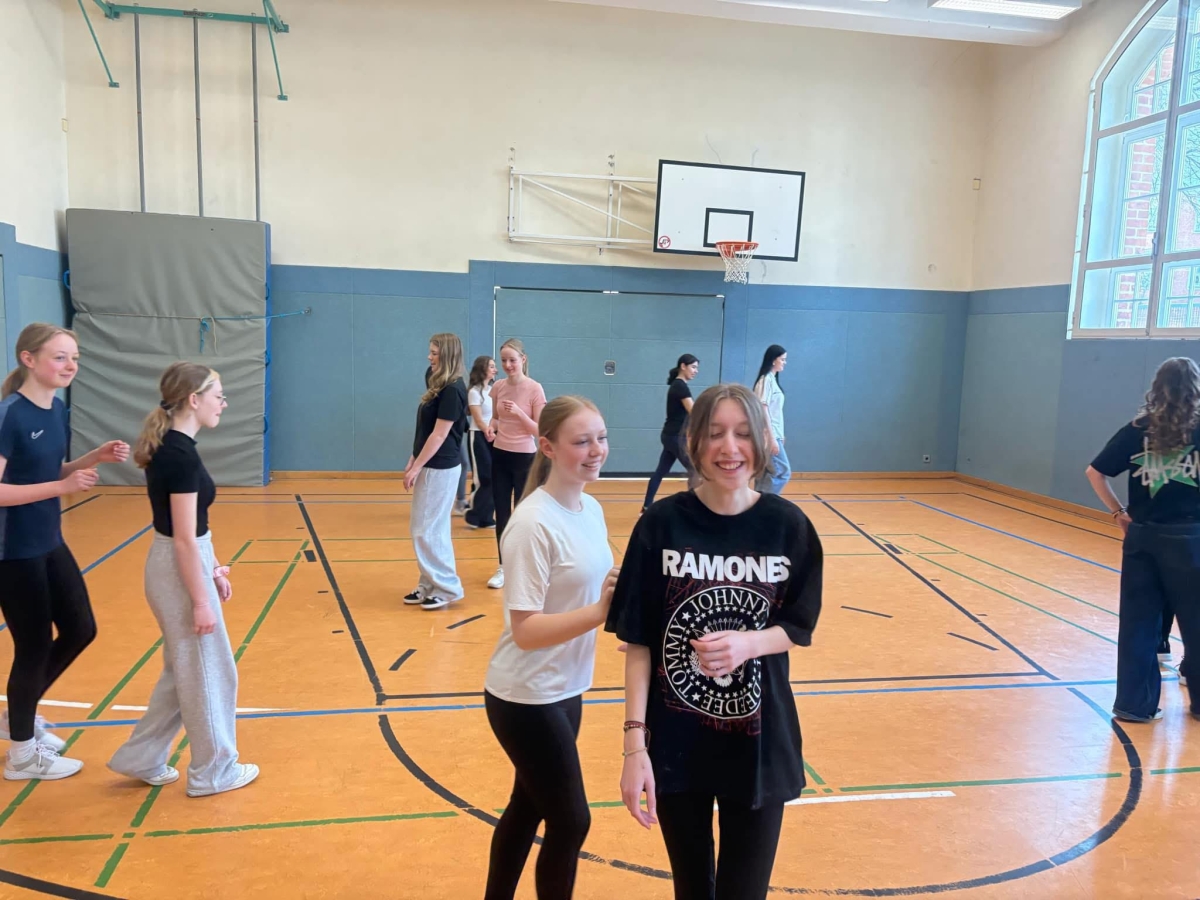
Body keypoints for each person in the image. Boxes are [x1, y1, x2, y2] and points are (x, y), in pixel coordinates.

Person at [607, 383, 823, 900]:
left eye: (743, 434)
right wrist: (634, 747)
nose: (730, 448)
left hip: (759, 744)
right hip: (676, 742)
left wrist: (749, 644)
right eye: (716, 433)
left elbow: (797, 627)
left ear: (762, 441)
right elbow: (639, 644)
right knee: (692, 889)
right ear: (693, 442)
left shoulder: (788, 527)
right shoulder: (660, 525)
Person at [482, 395, 619, 900]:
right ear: (548, 447)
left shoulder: (590, 508)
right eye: (581, 441)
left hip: (566, 687)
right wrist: (600, 613)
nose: (596, 450)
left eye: (601, 438)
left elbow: (592, 588)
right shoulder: (532, 524)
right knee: (571, 819)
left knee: (528, 806)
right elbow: (526, 630)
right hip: (525, 696)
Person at [106, 362, 259, 795]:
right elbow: (184, 540)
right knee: (212, 672)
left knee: (184, 673)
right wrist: (201, 600)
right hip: (178, 569)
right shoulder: (179, 456)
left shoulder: (176, 448)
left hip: (184, 561)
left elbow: (192, 533)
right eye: (218, 396)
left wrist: (213, 568)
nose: (223, 404)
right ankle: (214, 771)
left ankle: (141, 756)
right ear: (194, 399)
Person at [0, 324, 129, 781]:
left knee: (80, 628)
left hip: (48, 540)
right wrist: (63, 486)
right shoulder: (9, 415)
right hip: (12, 551)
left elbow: (47, 470)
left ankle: (17, 717)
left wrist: (91, 459)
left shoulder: (55, 408)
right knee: (34, 645)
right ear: (28, 359)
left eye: (74, 357)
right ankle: (22, 755)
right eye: (59, 357)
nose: (70, 365)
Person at [1087, 356, 1200, 722]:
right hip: (1190, 539)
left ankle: (1134, 705)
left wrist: (1118, 513)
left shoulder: (1138, 429)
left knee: (1139, 623)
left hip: (1143, 538)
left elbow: (1095, 472)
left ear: (1157, 388)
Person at [404, 333, 468, 611]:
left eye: (434, 353)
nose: (429, 357)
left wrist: (418, 466)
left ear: (448, 355)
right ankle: (429, 584)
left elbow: (440, 434)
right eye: (430, 352)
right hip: (429, 463)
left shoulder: (453, 389)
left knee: (427, 530)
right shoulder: (434, 378)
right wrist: (413, 458)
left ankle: (447, 587)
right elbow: (425, 429)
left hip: (441, 467)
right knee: (426, 528)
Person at [487, 338, 547, 590]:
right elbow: (495, 418)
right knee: (502, 513)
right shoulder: (498, 387)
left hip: (524, 459)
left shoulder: (534, 388)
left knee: (523, 514)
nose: (508, 365)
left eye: (512, 360)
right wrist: (491, 427)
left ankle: (525, 567)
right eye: (503, 361)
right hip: (500, 455)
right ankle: (504, 566)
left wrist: (519, 413)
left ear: (523, 359)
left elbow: (539, 430)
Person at [642, 354, 700, 512]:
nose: (696, 371)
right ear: (683, 366)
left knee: (660, 471)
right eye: (693, 367)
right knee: (695, 470)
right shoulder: (680, 386)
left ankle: (646, 506)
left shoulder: (677, 385)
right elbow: (694, 411)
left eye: (697, 368)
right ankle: (696, 507)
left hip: (670, 435)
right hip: (675, 437)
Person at [465, 355, 497, 530]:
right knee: (483, 477)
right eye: (491, 366)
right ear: (482, 368)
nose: (495, 369)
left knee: (494, 477)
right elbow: (478, 418)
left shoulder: (493, 390)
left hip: (493, 435)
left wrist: (494, 430)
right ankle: (474, 515)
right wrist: (487, 430)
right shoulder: (474, 392)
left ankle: (486, 517)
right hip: (478, 436)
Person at [752, 345, 790, 495]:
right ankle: (766, 504)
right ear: (774, 360)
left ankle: (756, 504)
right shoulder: (766, 380)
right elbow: (763, 409)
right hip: (767, 435)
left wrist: (780, 435)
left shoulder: (772, 380)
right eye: (782, 359)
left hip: (773, 433)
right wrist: (772, 437)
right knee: (782, 472)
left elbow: (775, 412)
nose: (785, 362)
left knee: (765, 474)